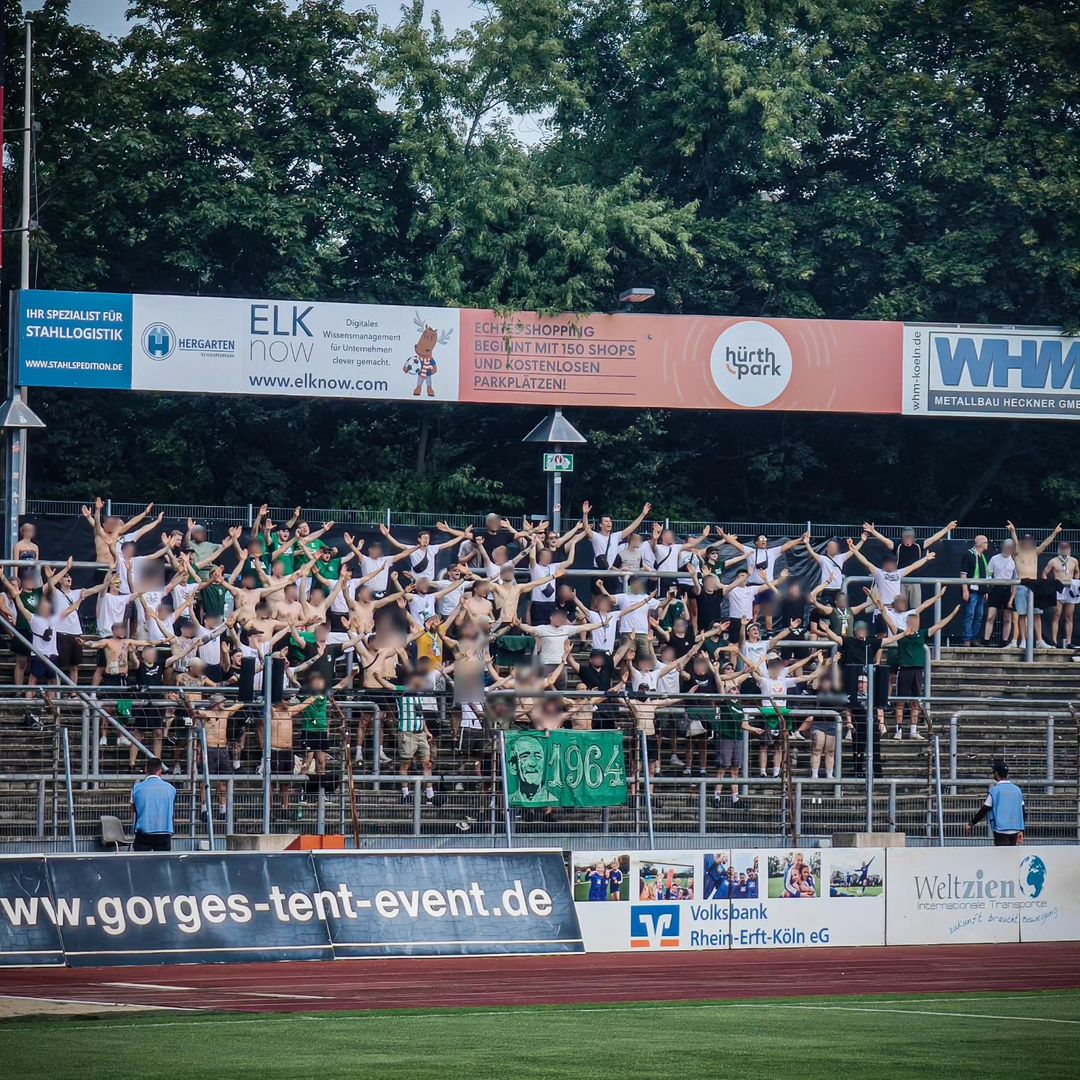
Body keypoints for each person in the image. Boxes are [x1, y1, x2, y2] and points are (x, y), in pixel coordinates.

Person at [1006, 521, 1060, 651]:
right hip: (1022, 585)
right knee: (1022, 614)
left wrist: (1055, 532)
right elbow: (1015, 543)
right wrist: (1013, 531)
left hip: (1035, 586)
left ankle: (1039, 640)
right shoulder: (1017, 552)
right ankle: (1023, 640)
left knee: (1037, 614)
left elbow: (1045, 544)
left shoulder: (1035, 552)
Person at [966, 760, 1025, 845]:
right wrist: (1022, 830)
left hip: (1000, 830)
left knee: (1001, 853)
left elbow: (984, 810)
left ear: (996, 773)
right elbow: (1022, 811)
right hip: (1016, 829)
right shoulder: (1017, 790)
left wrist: (971, 823)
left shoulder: (994, 791)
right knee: (1013, 853)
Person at [130, 757, 176, 851]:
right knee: (162, 859)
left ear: (146, 769)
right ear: (160, 770)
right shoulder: (171, 789)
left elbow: (133, 808)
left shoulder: (137, 788)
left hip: (143, 832)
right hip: (164, 831)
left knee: (141, 860)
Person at [1042, 540, 1079, 649]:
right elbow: (1044, 573)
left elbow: (1077, 571)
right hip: (1058, 589)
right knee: (1056, 614)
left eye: (1066, 548)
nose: (1065, 550)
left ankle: (1069, 641)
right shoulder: (1053, 561)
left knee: (1069, 616)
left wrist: (1076, 581)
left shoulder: (1074, 561)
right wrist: (1048, 585)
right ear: (1059, 549)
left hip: (1070, 589)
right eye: (1063, 548)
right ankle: (1054, 641)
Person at [985, 539, 1018, 647]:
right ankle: (986, 640)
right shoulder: (994, 559)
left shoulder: (1014, 561)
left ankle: (1004, 641)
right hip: (995, 588)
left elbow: (1015, 580)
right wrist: (989, 586)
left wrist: (1012, 597)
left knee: (1007, 618)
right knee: (991, 616)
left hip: (1007, 590)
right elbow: (988, 574)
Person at [959, 535, 990, 646]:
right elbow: (963, 574)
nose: (987, 544)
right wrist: (965, 590)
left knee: (979, 615)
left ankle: (974, 638)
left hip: (981, 591)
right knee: (970, 614)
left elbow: (985, 574)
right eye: (986, 542)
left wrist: (986, 590)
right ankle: (967, 639)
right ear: (980, 543)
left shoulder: (983, 557)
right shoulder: (969, 555)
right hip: (972, 590)